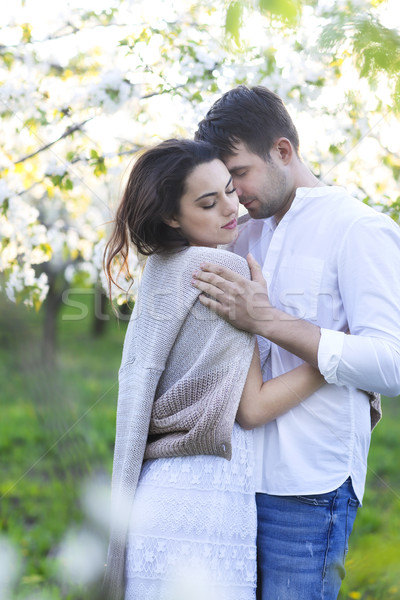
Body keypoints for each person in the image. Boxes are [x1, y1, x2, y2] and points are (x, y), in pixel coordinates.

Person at [193, 85, 400, 600]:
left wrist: (268, 319)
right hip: (231, 480)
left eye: (239, 173)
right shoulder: (242, 232)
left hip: (308, 488)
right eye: (225, 180)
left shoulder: (358, 229)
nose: (235, 194)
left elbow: (391, 364)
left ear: (282, 151)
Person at [102, 138, 326, 600]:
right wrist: (331, 361)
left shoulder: (163, 268)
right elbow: (253, 409)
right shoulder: (219, 267)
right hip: (203, 504)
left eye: (229, 188)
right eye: (208, 202)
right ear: (171, 216)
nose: (231, 206)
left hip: (157, 498)